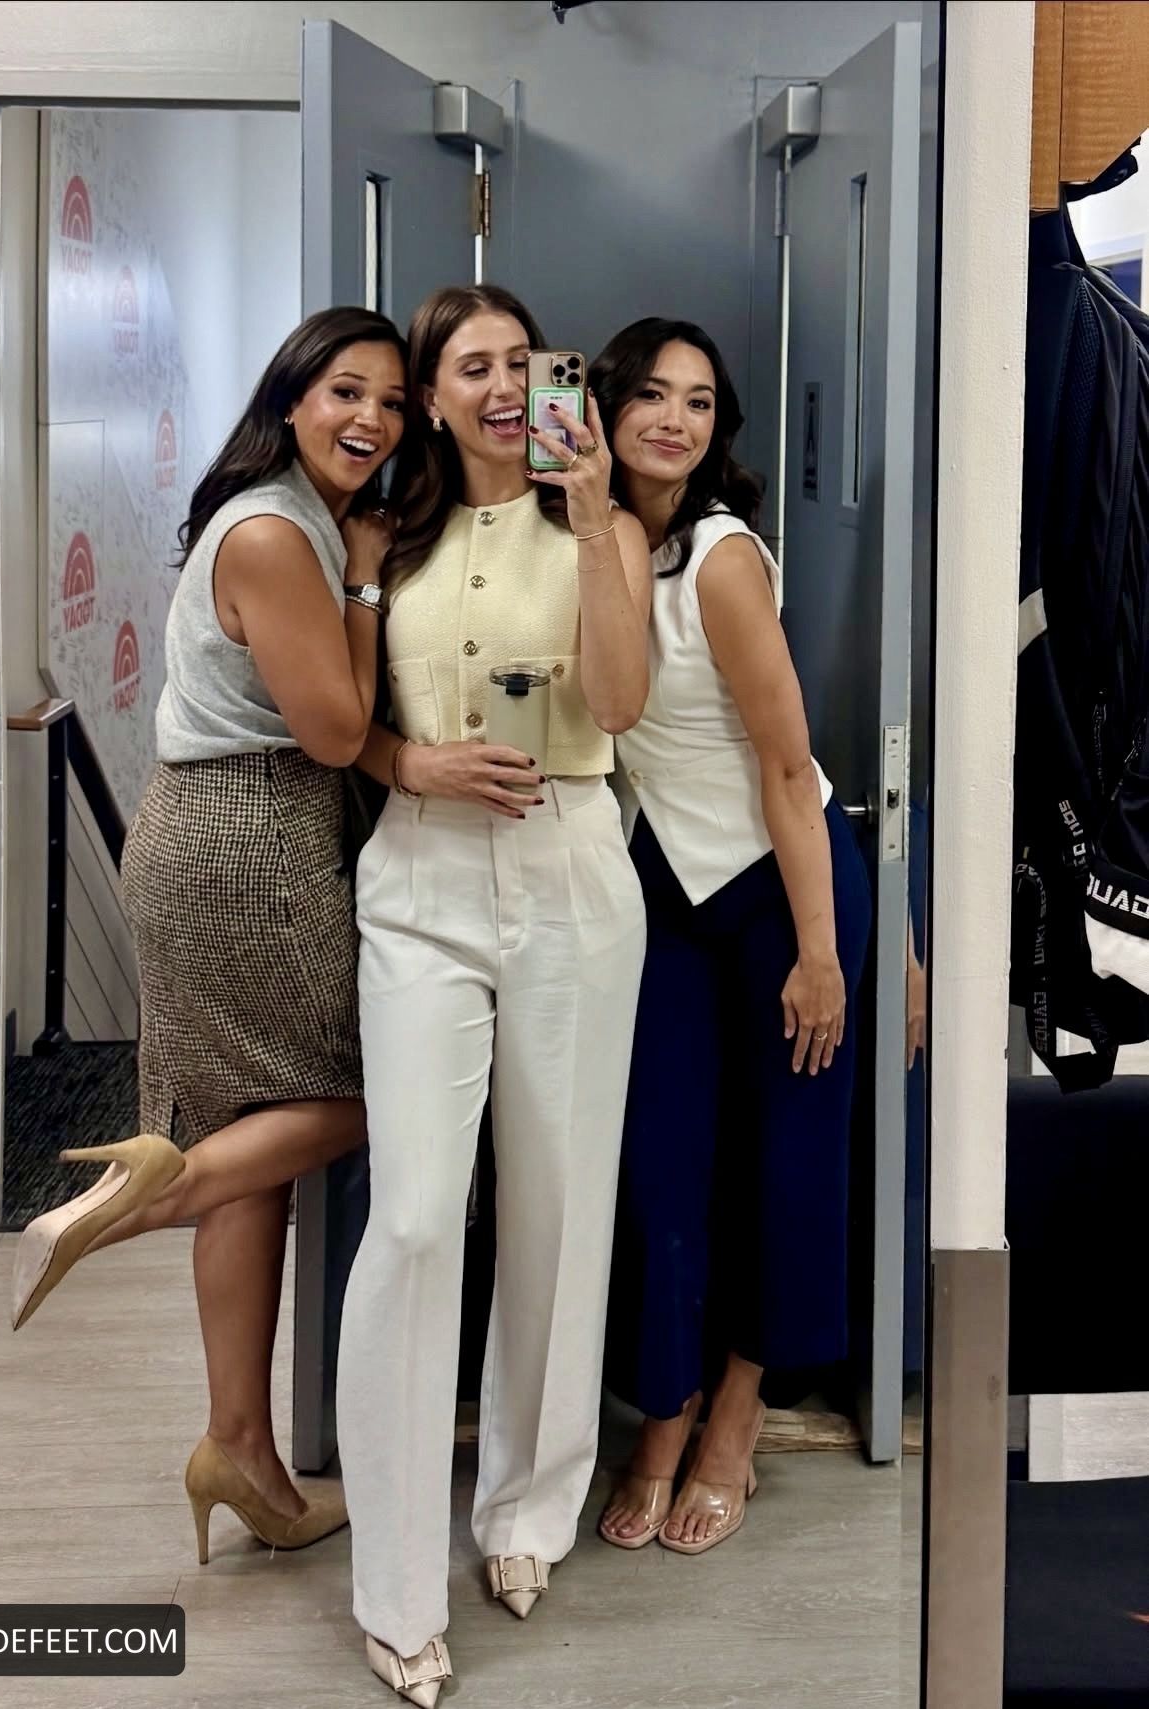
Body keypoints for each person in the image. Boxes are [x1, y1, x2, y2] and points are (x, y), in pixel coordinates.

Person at [9, 306, 408, 1566]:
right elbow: (336, 730)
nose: (372, 419)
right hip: (251, 842)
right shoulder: (281, 534)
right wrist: (365, 583)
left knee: (258, 1139)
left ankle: (240, 1446)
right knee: (379, 1090)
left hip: (211, 832)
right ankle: (141, 1193)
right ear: (291, 399)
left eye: (392, 402)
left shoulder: (280, 514)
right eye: (346, 391)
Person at [335, 285, 652, 1707]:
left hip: (571, 863)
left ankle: (526, 1507)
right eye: (475, 365)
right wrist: (415, 764)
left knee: (558, 1205)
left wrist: (589, 517)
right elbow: (344, 723)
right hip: (421, 878)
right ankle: (395, 1589)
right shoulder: (380, 537)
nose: (508, 383)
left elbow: (620, 700)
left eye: (525, 360)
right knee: (413, 1217)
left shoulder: (607, 527)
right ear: (431, 393)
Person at [591, 318, 872, 1556]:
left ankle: (736, 1419)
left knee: (787, 1156)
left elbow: (790, 764)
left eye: (700, 402)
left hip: (780, 885)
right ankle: (665, 1405)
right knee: (661, 1159)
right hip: (663, 889)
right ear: (604, 407)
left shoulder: (719, 558)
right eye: (651, 394)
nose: (675, 419)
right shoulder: (593, 541)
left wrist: (824, 952)